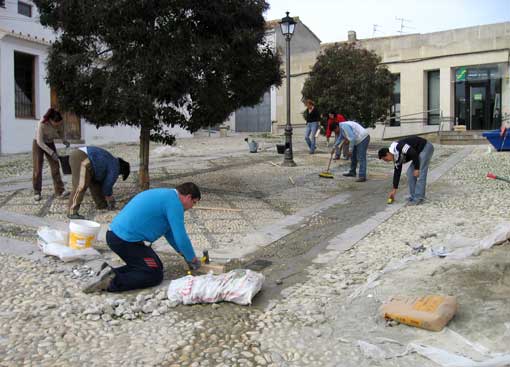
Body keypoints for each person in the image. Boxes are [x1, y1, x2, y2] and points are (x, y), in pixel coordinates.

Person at [82, 182, 202, 293]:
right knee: (154, 275)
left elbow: (170, 234)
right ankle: (111, 282)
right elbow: (181, 236)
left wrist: (183, 253)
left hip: (116, 235)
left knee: (155, 266)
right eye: (194, 202)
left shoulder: (166, 195)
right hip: (125, 241)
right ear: (188, 197)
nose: (192, 207)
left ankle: (109, 272)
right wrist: (192, 258)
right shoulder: (175, 203)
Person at [67, 146, 130, 219]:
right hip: (81, 158)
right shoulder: (115, 167)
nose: (118, 175)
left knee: (95, 184)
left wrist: (104, 202)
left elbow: (99, 185)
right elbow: (107, 185)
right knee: (80, 186)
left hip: (86, 160)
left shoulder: (112, 161)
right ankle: (72, 212)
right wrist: (109, 197)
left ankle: (102, 205)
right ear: (122, 170)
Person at [378, 136, 434, 205]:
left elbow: (413, 153)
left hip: (425, 147)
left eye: (385, 159)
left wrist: (416, 168)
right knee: (410, 173)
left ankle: (419, 198)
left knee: (420, 172)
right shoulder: (396, 157)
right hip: (417, 153)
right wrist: (394, 189)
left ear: (388, 154)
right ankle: (413, 196)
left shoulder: (399, 146)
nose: (386, 161)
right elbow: (397, 172)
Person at [33, 107, 71, 202]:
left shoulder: (60, 123)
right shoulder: (42, 124)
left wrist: (64, 140)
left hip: (50, 142)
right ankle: (37, 191)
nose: (58, 125)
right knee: (38, 168)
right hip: (38, 144)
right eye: (56, 124)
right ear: (50, 120)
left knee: (55, 166)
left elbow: (61, 132)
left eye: (59, 124)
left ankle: (60, 191)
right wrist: (51, 152)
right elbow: (40, 142)